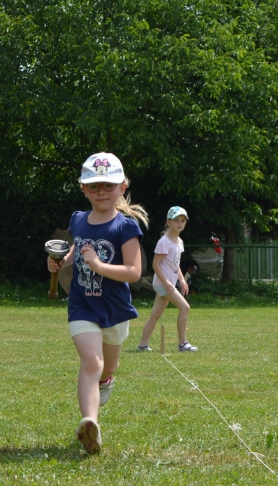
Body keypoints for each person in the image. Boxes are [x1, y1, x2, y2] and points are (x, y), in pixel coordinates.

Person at [47, 152, 148, 454]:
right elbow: (76, 247)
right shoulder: (78, 220)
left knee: (107, 367)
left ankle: (106, 381)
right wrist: (60, 261)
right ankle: (90, 423)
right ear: (83, 189)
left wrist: (100, 267)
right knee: (92, 361)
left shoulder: (125, 227)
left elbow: (134, 272)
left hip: (115, 310)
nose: (101, 191)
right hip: (82, 305)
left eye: (108, 185)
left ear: (122, 187)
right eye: (94, 186)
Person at [137, 206, 198, 353]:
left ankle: (142, 345)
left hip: (167, 283)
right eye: (176, 220)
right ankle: (183, 343)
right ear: (168, 222)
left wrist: (182, 280)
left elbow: (175, 265)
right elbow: (155, 265)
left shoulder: (179, 242)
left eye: (182, 221)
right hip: (162, 283)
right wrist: (166, 282)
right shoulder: (164, 242)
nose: (180, 223)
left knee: (155, 315)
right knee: (185, 307)